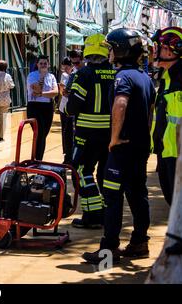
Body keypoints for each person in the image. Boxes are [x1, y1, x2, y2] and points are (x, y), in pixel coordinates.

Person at [82, 28, 155, 264]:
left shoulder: (122, 77)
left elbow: (120, 104)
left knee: (112, 197)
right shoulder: (145, 78)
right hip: (141, 148)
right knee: (137, 194)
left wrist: (113, 139)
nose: (109, 52)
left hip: (122, 149)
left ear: (121, 50)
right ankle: (139, 242)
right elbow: (150, 111)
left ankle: (109, 249)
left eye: (112, 47)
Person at [64, 34, 116, 229]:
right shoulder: (114, 73)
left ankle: (93, 215)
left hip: (87, 133)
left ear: (87, 51)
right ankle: (105, 214)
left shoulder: (83, 74)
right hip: (111, 134)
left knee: (80, 170)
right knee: (104, 174)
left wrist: (68, 108)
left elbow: (73, 106)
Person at [150, 26, 182, 205]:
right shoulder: (167, 78)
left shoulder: (179, 79)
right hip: (168, 152)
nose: (155, 52)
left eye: (159, 47)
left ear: (172, 51)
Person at [26, 55, 58, 160]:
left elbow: (55, 92)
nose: (43, 65)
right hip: (34, 107)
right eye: (41, 63)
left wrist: (42, 94)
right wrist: (42, 77)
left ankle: (38, 158)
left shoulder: (52, 76)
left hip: (47, 107)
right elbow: (36, 89)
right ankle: (37, 159)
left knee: (44, 134)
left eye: (45, 63)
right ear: (37, 64)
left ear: (48, 64)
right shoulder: (32, 75)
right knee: (39, 133)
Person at [58, 57, 73, 164]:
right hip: (65, 107)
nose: (64, 68)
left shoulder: (75, 73)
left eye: (66, 65)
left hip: (72, 107)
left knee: (70, 132)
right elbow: (63, 92)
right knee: (66, 131)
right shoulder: (64, 76)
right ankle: (67, 154)